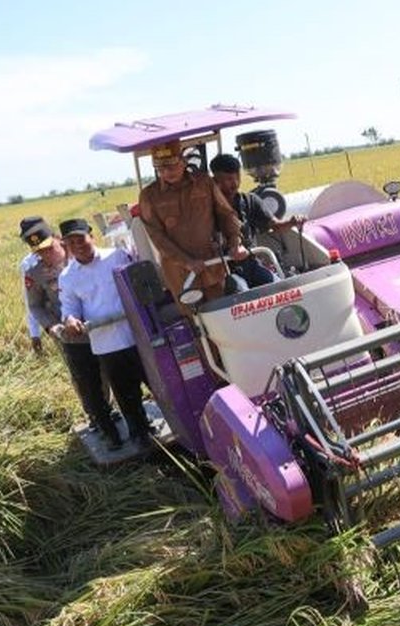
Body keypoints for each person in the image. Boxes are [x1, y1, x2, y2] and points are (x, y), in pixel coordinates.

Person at [19, 216, 118, 440]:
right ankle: (95, 415)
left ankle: (109, 408)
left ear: (57, 239)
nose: (46, 255)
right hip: (69, 334)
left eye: (49, 248)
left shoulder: (79, 250)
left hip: (100, 323)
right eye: (39, 252)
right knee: (83, 377)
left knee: (108, 370)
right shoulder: (34, 274)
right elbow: (35, 305)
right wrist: (51, 327)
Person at [58, 218, 153, 450]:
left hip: (138, 335)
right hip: (106, 343)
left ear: (91, 236)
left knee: (157, 384)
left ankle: (178, 424)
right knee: (126, 394)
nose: (78, 244)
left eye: (81, 238)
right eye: (71, 242)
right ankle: (140, 436)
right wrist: (70, 320)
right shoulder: (68, 277)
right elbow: (69, 308)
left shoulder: (117, 256)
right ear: (66, 246)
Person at [136, 140, 247, 304]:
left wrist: (235, 243)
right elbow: (157, 237)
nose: (167, 172)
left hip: (212, 265)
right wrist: (186, 262)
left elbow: (226, 214)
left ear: (183, 161)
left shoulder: (204, 183)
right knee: (195, 321)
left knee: (224, 312)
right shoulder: (149, 196)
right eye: (161, 168)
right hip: (180, 275)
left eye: (172, 165)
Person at [209, 152, 304, 288]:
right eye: (229, 179)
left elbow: (275, 226)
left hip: (252, 263)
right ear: (215, 180)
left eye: (237, 177)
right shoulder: (207, 209)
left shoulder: (250, 201)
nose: (235, 183)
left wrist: (292, 222)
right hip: (223, 271)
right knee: (240, 291)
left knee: (279, 288)